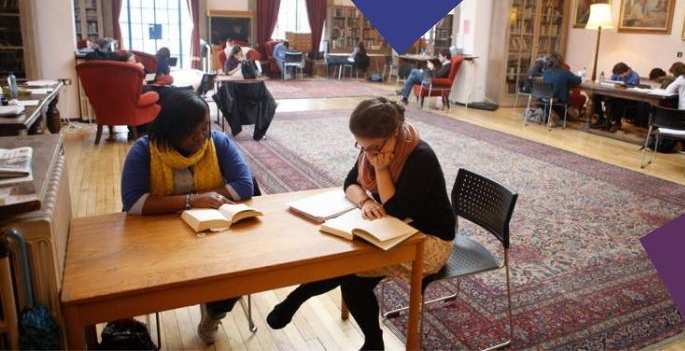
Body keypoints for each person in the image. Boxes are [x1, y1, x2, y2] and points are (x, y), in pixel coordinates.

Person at [265, 97, 455, 350]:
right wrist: (365, 201)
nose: (368, 154)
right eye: (362, 147)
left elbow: (395, 210)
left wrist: (381, 169)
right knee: (350, 267)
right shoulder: (373, 149)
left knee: (351, 270)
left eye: (374, 148)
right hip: (395, 228)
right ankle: (373, 341)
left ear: (395, 132)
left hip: (430, 241)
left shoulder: (421, 157)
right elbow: (349, 184)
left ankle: (298, 299)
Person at [121, 90, 255, 344]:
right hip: (159, 238)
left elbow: (244, 185)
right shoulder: (145, 150)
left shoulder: (218, 143)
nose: (201, 137)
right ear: (172, 129)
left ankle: (215, 311)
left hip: (211, 232)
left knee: (239, 268)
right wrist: (193, 200)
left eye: (205, 127)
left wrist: (197, 199)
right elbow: (135, 203)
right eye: (191, 132)